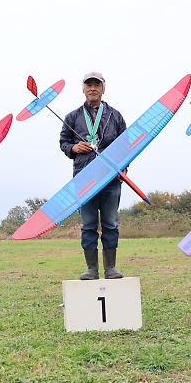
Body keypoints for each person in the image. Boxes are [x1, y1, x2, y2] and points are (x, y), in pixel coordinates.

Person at [60, 72, 128, 280]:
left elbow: (126, 145)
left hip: (111, 177)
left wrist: (124, 168)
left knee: (111, 223)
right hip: (84, 177)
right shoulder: (72, 117)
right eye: (88, 85)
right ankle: (91, 269)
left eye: (97, 85)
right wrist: (74, 148)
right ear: (83, 90)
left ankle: (111, 268)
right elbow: (64, 143)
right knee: (88, 224)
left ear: (103, 89)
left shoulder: (116, 116)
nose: (92, 88)